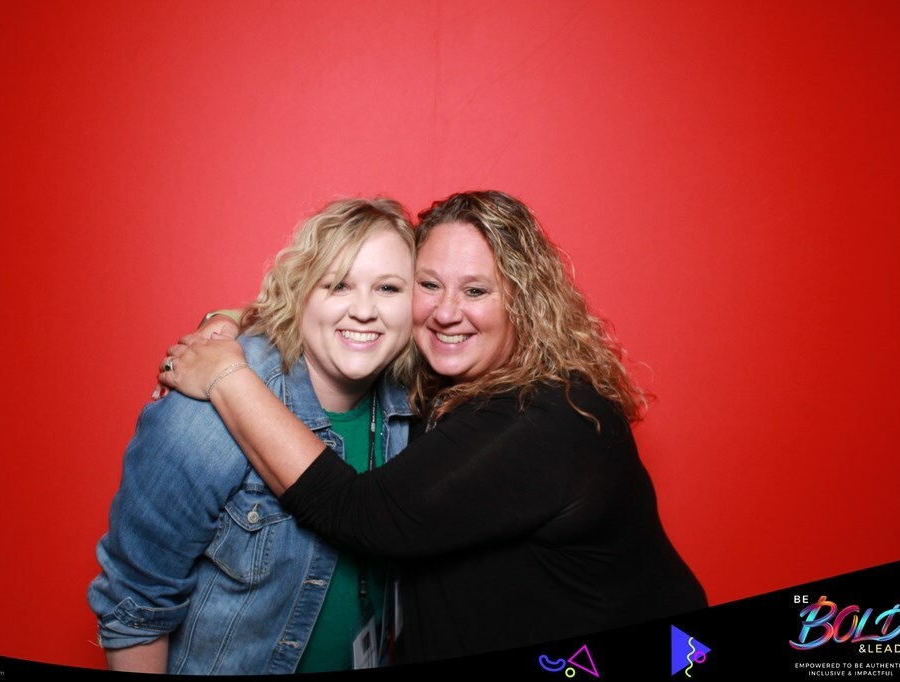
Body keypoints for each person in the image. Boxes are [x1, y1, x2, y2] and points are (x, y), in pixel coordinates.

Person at [161, 190, 707, 663]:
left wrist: (227, 377)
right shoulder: (438, 379)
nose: (447, 312)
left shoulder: (546, 414)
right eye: (429, 284)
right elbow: (341, 306)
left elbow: (362, 514)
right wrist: (227, 321)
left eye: (476, 291)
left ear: (525, 302)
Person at [87, 197, 418, 674]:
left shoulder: (417, 403)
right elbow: (134, 605)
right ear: (301, 290)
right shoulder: (205, 408)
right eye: (338, 285)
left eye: (388, 288)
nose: (364, 310)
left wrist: (224, 316)